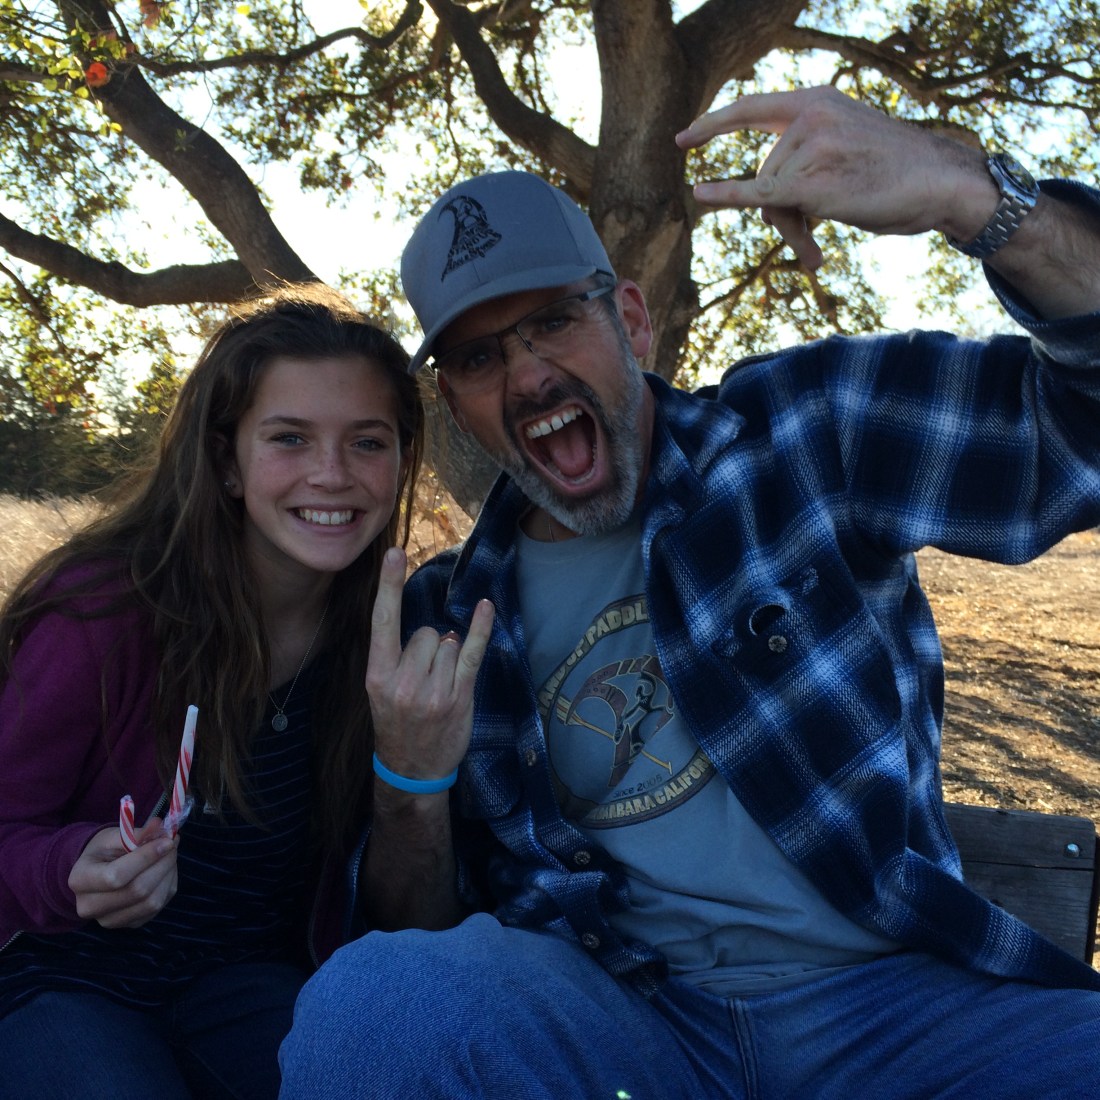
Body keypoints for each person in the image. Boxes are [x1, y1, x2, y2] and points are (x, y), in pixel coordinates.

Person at [279, 87, 1100, 1097]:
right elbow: (421, 941)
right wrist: (409, 782)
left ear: (629, 316)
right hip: (634, 1025)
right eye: (482, 356)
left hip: (892, 1010)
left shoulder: (800, 435)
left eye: (551, 322)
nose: (528, 375)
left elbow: (1078, 430)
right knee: (373, 1006)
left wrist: (969, 196)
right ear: (454, 400)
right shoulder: (446, 618)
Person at [0, 283, 462, 1099]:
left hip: (249, 985)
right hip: (64, 974)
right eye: (289, 438)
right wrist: (68, 866)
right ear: (226, 461)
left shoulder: (391, 636)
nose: (332, 474)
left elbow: (397, 915)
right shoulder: (103, 613)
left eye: (367, 442)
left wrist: (414, 778)